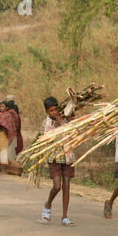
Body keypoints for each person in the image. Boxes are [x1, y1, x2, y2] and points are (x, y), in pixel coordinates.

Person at [40, 96, 76, 227]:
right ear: (47, 112)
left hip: (67, 155)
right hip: (54, 157)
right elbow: (45, 138)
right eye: (51, 111)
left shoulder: (65, 119)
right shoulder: (47, 122)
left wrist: (72, 120)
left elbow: (74, 132)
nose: (54, 113)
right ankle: (48, 204)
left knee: (67, 186)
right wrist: (56, 124)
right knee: (57, 186)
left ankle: (65, 217)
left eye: (56, 110)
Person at [0, 101, 17, 174]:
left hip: (3, 135)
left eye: (3, 106)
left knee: (3, 151)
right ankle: (2, 168)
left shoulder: (7, 115)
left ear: (7, 108)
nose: (1, 108)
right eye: (0, 106)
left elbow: (5, 125)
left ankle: (4, 169)